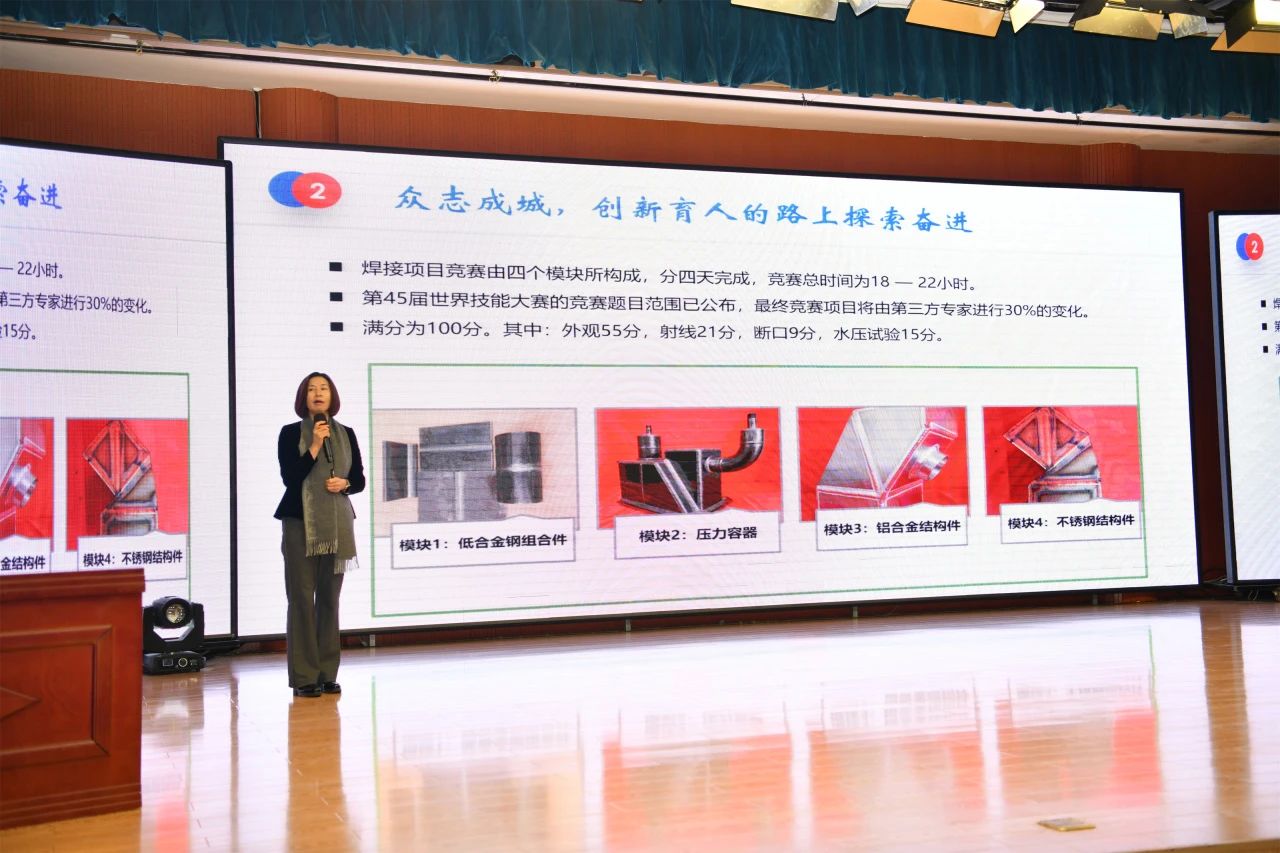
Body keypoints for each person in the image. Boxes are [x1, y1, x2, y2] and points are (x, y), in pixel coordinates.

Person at [274, 372, 364, 698]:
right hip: (300, 523)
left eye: (323, 388)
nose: (318, 393)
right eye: (311, 389)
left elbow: (359, 479)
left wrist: (345, 484)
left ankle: (327, 673)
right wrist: (313, 445)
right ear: (304, 398)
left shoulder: (347, 434)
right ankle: (304, 677)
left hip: (337, 525)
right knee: (301, 599)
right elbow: (291, 477)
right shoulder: (289, 433)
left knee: (329, 600)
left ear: (332, 396)